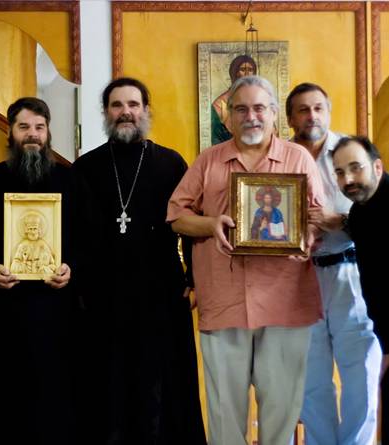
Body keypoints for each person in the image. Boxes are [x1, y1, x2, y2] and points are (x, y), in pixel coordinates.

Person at [167, 75, 326, 445]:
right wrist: (210, 222)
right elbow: (176, 215)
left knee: (281, 416)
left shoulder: (297, 158)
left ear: (273, 114)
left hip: (286, 304)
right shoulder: (208, 161)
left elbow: (316, 216)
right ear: (228, 118)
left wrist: (306, 238)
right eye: (241, 109)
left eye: (259, 108)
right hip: (224, 303)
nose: (250, 116)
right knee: (225, 417)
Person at [72, 77, 206, 444]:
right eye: (117, 105)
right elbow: (74, 236)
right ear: (105, 113)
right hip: (104, 297)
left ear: (146, 110)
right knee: (109, 385)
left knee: (162, 386)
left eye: (133, 104)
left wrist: (193, 280)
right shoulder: (86, 168)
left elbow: (191, 225)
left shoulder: (171, 163)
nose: (125, 112)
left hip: (160, 291)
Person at [287, 83, 380, 445]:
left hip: (349, 272)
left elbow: (376, 211)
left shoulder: (349, 154)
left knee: (361, 375)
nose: (311, 116)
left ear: (328, 111)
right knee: (311, 378)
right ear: (291, 117)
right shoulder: (281, 156)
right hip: (300, 277)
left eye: (318, 108)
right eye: (302, 110)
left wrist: (337, 221)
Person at [0, 96, 74, 445]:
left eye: (39, 127)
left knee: (54, 397)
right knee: (6, 396)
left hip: (56, 312)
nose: (32, 135)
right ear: (10, 131)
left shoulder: (69, 180)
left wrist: (71, 268)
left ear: (48, 132)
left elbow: (84, 238)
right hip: (5, 311)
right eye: (24, 127)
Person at [332, 136, 389, 439]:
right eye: (340, 172)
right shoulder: (359, 212)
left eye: (356, 168)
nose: (348, 179)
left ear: (377, 167)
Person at [211, 54, 257, 146]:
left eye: (250, 70)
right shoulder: (220, 104)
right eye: (243, 70)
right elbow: (216, 138)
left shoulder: (261, 99)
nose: (247, 74)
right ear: (234, 72)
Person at [10, 210, 57, 275]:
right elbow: (13, 267)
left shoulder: (43, 245)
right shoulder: (23, 245)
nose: (33, 232)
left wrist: (44, 267)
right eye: (30, 229)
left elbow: (53, 266)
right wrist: (24, 263)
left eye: (35, 229)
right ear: (26, 230)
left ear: (39, 230)